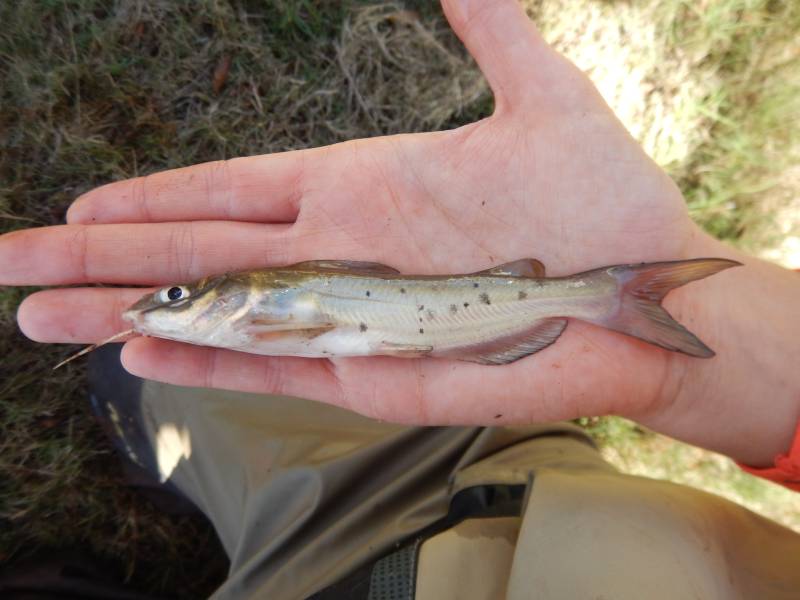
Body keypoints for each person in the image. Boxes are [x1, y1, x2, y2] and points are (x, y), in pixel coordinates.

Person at [1, 0, 798, 598]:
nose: (166, 301)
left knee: (189, 396)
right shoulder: (254, 314)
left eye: (178, 295)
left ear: (235, 294)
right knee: (188, 389)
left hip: (560, 524)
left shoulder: (258, 307)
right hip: (579, 518)